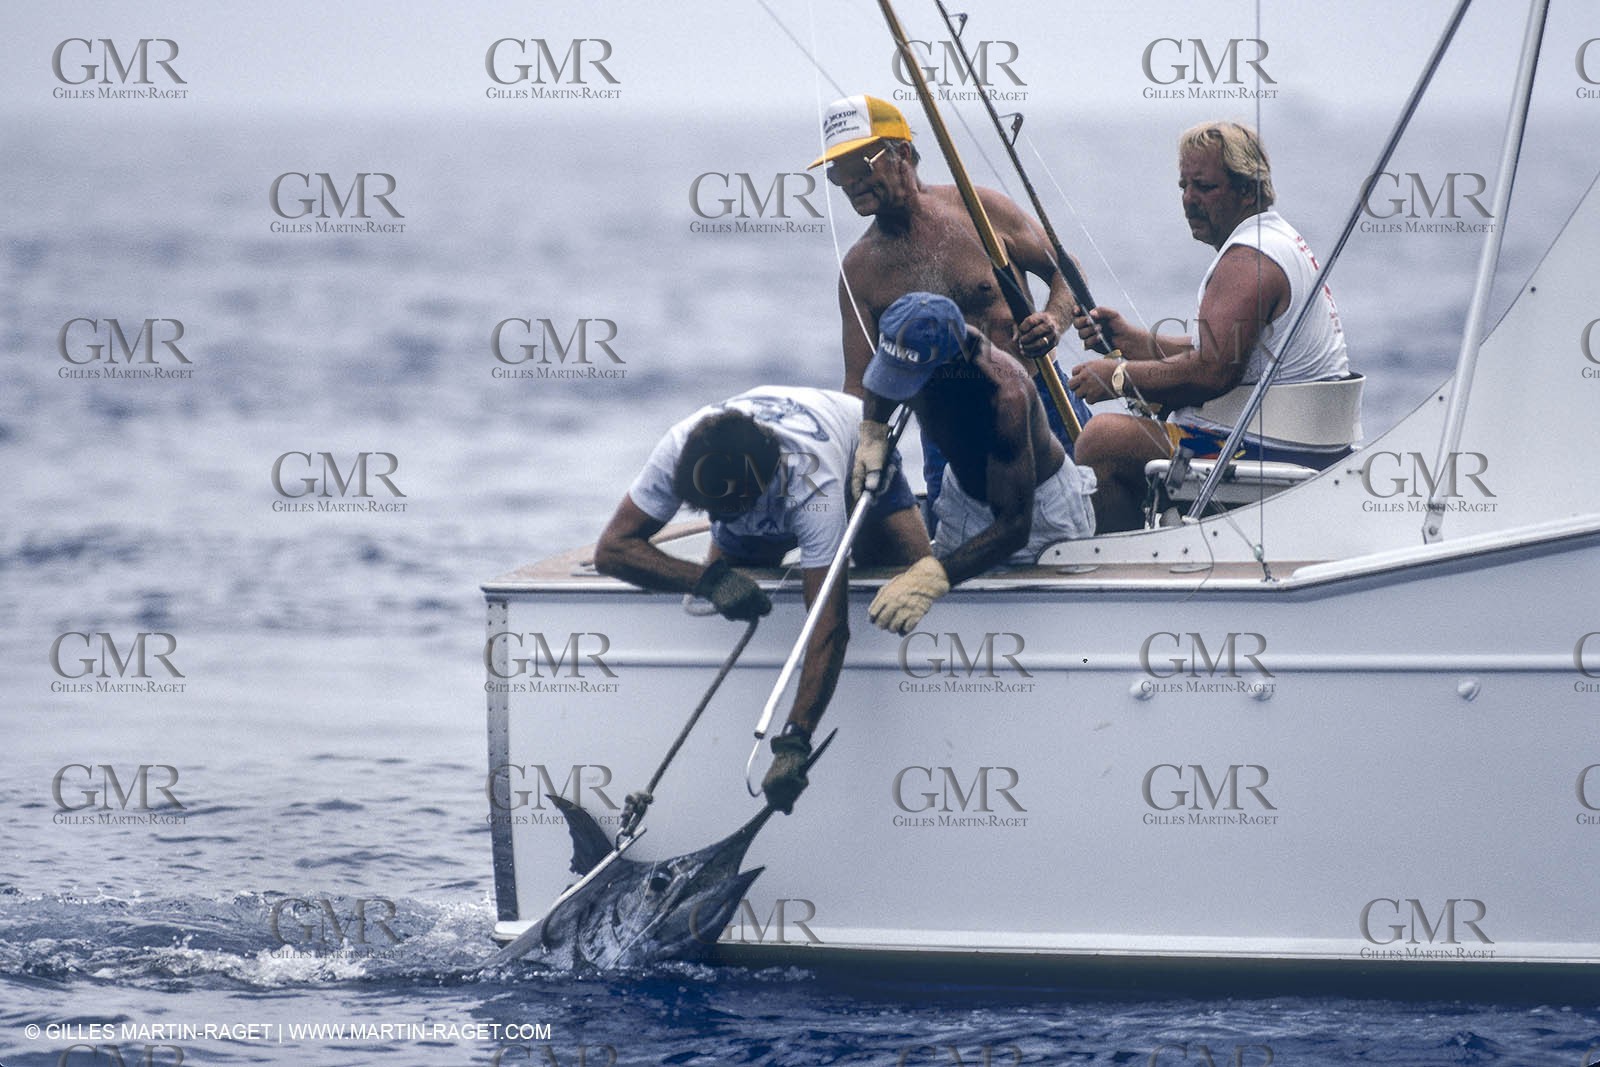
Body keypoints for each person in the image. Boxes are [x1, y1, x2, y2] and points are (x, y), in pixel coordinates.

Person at [594, 385, 930, 813]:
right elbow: (612, 550)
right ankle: (739, 542)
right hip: (749, 479)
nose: (719, 519)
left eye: (731, 511)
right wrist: (709, 581)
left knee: (914, 566)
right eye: (713, 513)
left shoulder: (815, 484)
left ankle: (912, 516)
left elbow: (827, 625)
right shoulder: (676, 450)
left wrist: (796, 740)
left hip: (850, 453)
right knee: (735, 568)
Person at [807, 94, 1093, 512]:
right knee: (964, 545)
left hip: (1042, 402)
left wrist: (1053, 320)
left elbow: (1066, 271)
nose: (850, 182)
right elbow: (858, 385)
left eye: (859, 166)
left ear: (901, 153)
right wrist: (859, 456)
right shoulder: (860, 270)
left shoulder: (981, 209)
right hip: (951, 434)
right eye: (838, 173)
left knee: (1085, 517)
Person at [1065, 120, 1353, 533]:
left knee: (1103, 439)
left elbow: (1212, 372)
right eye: (1183, 186)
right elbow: (1228, 352)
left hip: (1273, 454)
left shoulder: (1246, 262)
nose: (1189, 200)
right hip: (1307, 445)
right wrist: (1133, 341)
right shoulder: (1275, 240)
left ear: (1247, 189)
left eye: (1205, 187)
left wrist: (1120, 376)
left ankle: (1121, 566)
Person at [854, 293, 1097, 634]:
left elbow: (1014, 526)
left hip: (1037, 512)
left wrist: (931, 578)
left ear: (952, 364)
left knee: (1034, 626)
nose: (900, 387)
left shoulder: (1005, 398)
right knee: (959, 619)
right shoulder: (918, 343)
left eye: (910, 377)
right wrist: (873, 433)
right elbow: (881, 384)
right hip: (963, 496)